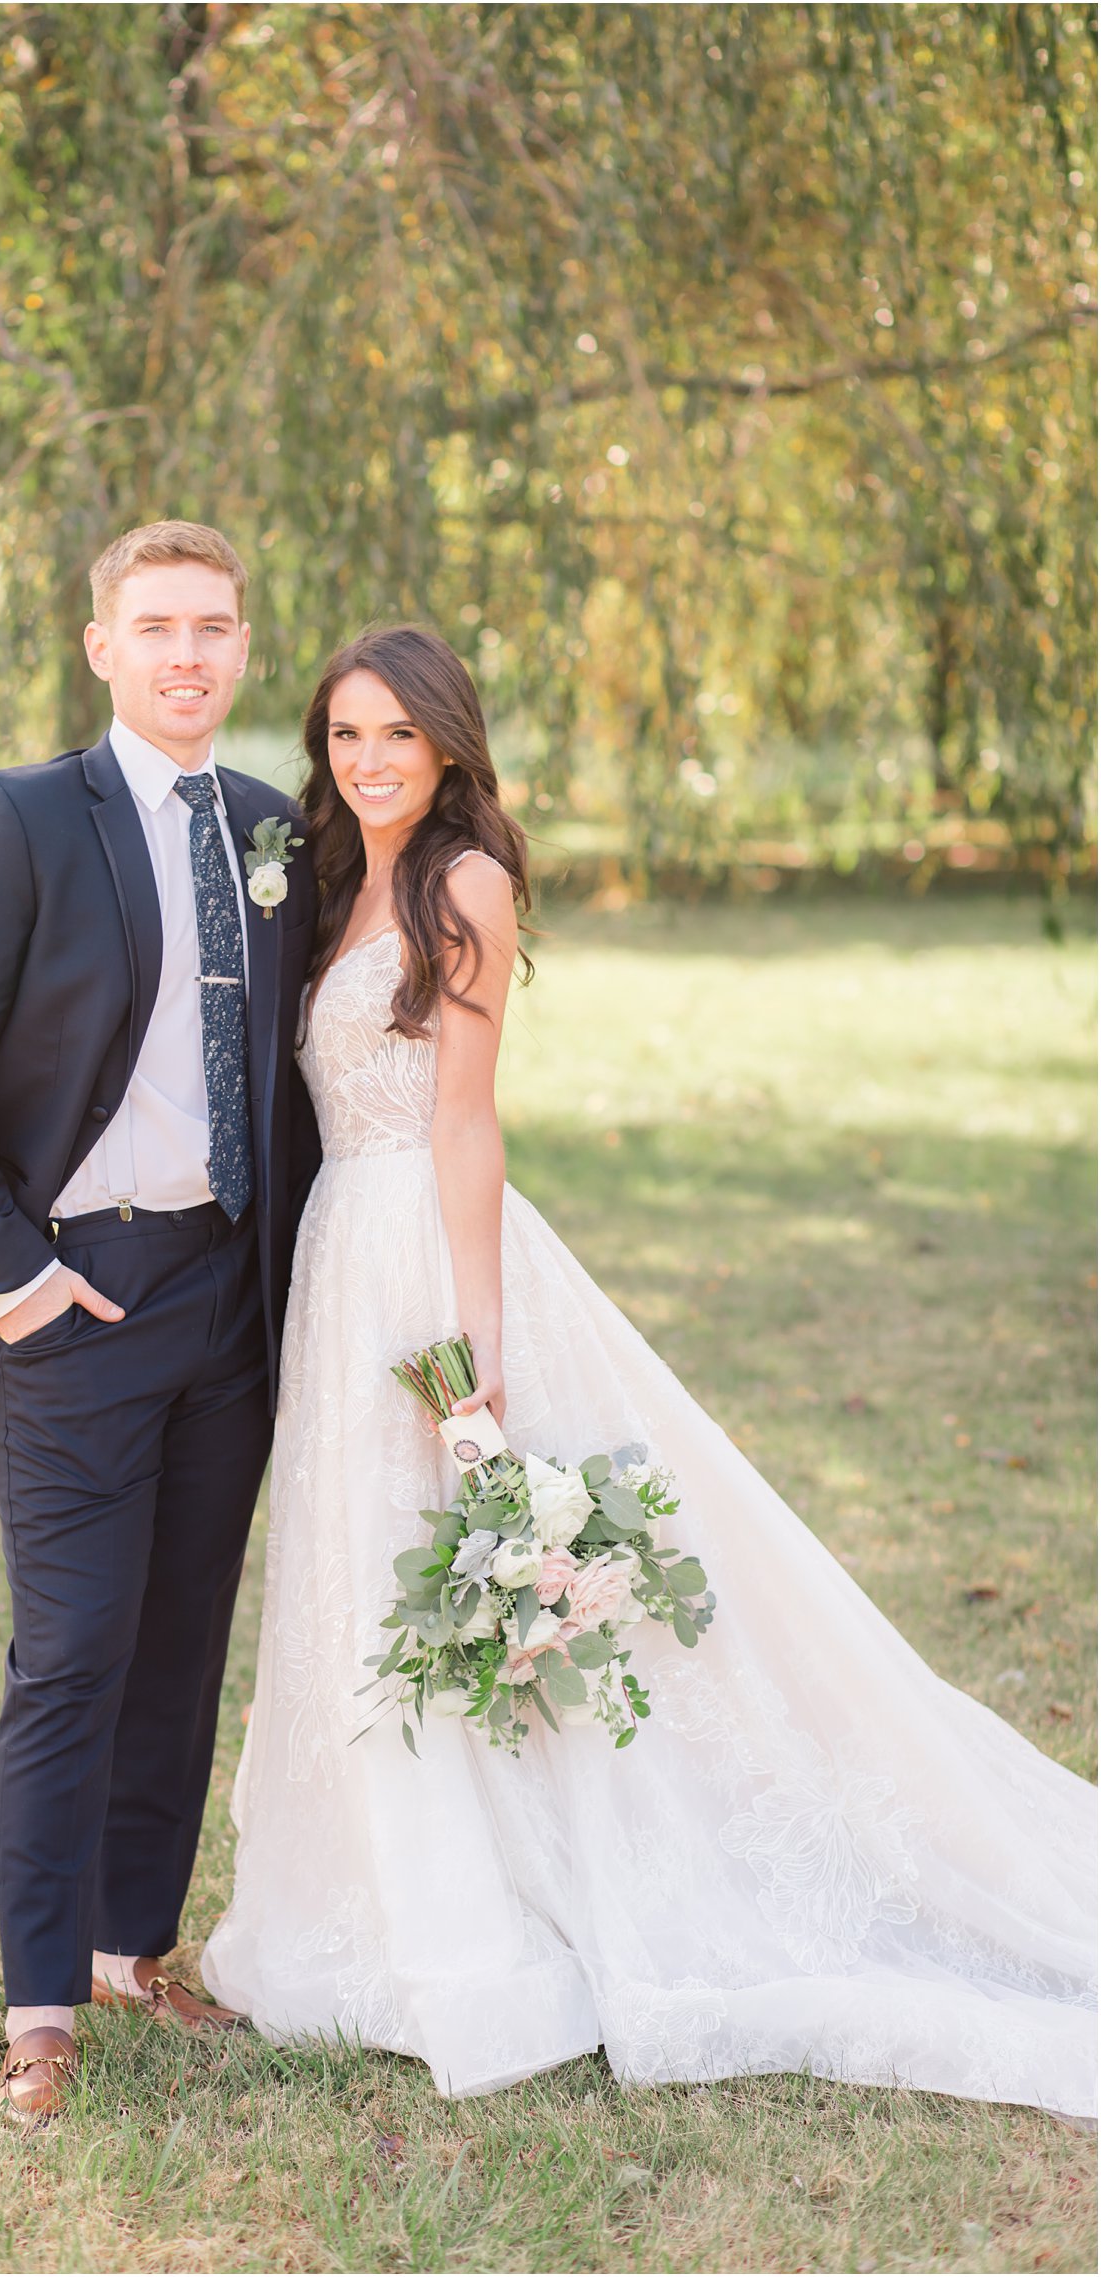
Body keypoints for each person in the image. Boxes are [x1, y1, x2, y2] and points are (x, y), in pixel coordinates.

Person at [201, 623, 1098, 2117]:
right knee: (363, 1574)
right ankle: (371, 1895)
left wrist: (472, 1361)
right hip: (335, 1264)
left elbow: (468, 1122)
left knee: (464, 1559)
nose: (368, 761)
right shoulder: (332, 880)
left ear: (446, 748)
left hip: (426, 1252)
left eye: (397, 739)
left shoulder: (462, 885)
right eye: (346, 735)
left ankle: (493, 1908)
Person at [0, 521, 320, 2121]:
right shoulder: (23, 818)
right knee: (72, 1651)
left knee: (185, 1639)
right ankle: (41, 2005)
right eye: (157, 626)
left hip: (228, 1294)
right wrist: (10, 1273)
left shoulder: (274, 831)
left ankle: (136, 1947)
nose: (188, 654)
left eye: (214, 626)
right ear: (101, 645)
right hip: (76, 1294)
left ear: (245, 646)